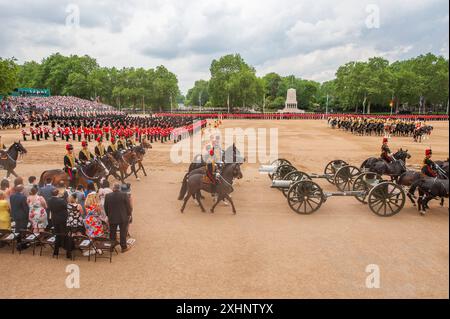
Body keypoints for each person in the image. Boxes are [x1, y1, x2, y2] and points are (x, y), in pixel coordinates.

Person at [104, 183, 132, 253]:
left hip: (112, 217)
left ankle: (112, 247)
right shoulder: (124, 195)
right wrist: (129, 214)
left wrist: (108, 215)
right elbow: (128, 206)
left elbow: (105, 207)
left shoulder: (107, 196)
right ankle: (124, 247)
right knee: (123, 232)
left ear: (113, 188)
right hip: (123, 217)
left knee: (112, 233)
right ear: (119, 188)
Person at [47, 188, 69, 257]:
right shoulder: (61, 201)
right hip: (62, 219)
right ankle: (64, 246)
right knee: (64, 233)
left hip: (54, 218)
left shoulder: (49, 200)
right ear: (57, 193)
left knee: (57, 233)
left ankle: (56, 250)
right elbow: (66, 207)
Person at [9, 185, 29, 251]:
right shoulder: (23, 197)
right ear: (22, 190)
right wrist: (27, 215)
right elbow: (25, 208)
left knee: (17, 229)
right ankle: (21, 245)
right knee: (22, 230)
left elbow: (12, 206)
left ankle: (18, 243)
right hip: (22, 216)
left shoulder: (11, 196)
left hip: (15, 215)